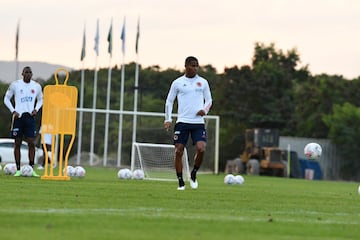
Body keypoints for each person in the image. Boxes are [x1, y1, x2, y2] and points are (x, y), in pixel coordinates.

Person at [164, 56, 213, 190]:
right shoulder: (178, 83)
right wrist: (168, 119)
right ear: (186, 66)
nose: (195, 68)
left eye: (197, 66)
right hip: (183, 122)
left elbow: (209, 100)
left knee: (201, 148)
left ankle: (194, 173)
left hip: (198, 123)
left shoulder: (203, 82)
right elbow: (169, 101)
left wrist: (204, 110)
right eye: (193, 65)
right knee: (179, 151)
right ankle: (180, 181)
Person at [3, 66, 43, 177]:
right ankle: (18, 169)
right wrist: (13, 111)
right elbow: (6, 99)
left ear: (32, 74)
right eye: (26, 72)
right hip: (18, 117)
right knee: (17, 143)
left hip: (29, 117)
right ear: (22, 73)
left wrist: (36, 109)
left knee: (31, 142)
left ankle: (31, 168)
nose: (28, 74)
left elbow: (41, 99)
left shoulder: (36, 86)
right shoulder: (15, 85)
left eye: (30, 72)